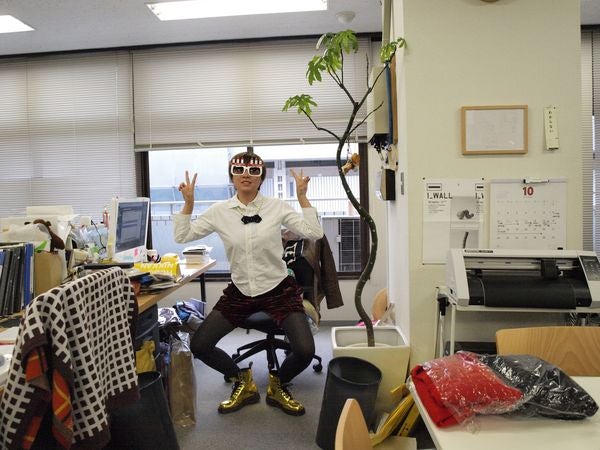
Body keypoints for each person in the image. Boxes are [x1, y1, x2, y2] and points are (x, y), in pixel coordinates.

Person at [173, 151, 324, 416]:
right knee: (200, 345)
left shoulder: (276, 207)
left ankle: (278, 384)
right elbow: (182, 235)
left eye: (253, 171)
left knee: (305, 350)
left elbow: (315, 232)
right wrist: (188, 204)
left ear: (261, 178)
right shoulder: (220, 211)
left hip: (278, 289)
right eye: (239, 170)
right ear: (232, 177)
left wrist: (302, 196)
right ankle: (243, 381)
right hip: (240, 292)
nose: (246, 175)